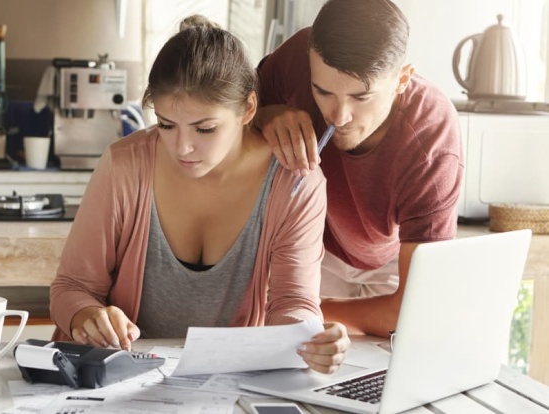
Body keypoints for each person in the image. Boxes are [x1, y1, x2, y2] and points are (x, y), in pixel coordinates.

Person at [50, 15, 350, 374]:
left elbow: (293, 301)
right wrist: (88, 314)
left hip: (225, 382)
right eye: (166, 125)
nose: (183, 148)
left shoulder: (294, 183)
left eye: (204, 128)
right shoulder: (124, 165)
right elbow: (71, 287)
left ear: (248, 109)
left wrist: (309, 340)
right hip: (115, 379)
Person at [254, 0, 463, 338]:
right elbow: (232, 109)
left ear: (402, 79)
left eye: (361, 97)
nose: (337, 117)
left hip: (391, 265)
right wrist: (265, 115)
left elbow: (415, 309)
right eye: (322, 92)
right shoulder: (297, 57)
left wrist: (304, 312)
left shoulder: (431, 136)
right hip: (308, 247)